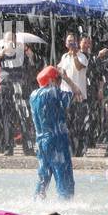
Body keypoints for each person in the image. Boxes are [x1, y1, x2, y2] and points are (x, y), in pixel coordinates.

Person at [30, 65, 75, 199]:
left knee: (43, 177)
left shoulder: (33, 95)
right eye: (59, 79)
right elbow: (76, 93)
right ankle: (65, 206)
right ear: (51, 80)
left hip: (40, 141)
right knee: (64, 177)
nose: (60, 82)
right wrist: (67, 78)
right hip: (56, 140)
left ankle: (37, 202)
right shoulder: (53, 92)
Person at [0, 33, 34, 156]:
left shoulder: (21, 51)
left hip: (20, 86)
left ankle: (28, 147)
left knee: (25, 117)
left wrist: (25, 48)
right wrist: (5, 49)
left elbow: (32, 60)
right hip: (6, 86)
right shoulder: (2, 52)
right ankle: (9, 147)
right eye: (9, 40)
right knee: (7, 118)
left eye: (13, 39)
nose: (11, 42)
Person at [58, 34, 89, 156]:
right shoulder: (64, 57)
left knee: (79, 123)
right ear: (66, 44)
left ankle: (80, 150)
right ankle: (70, 149)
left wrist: (75, 53)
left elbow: (78, 66)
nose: (71, 43)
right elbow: (61, 72)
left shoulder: (82, 56)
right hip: (66, 93)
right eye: (69, 41)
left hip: (79, 95)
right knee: (68, 123)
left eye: (73, 41)